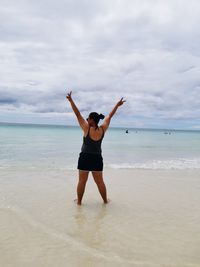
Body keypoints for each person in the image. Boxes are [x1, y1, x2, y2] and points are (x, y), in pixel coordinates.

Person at [66, 91, 126, 205]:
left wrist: (71, 101)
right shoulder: (103, 129)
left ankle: (79, 202)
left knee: (82, 181)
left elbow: (77, 114)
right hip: (97, 158)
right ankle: (105, 201)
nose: (86, 120)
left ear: (92, 120)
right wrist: (117, 106)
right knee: (100, 182)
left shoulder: (86, 128)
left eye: (88, 118)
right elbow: (109, 116)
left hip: (85, 157)